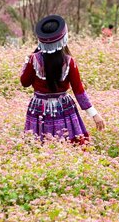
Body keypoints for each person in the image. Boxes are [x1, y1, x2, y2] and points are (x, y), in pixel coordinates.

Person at [20, 14, 106, 144]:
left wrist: (27, 63)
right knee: (68, 145)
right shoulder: (69, 62)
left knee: (38, 146)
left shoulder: (34, 59)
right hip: (63, 108)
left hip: (39, 108)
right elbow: (79, 91)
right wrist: (94, 114)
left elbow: (24, 82)